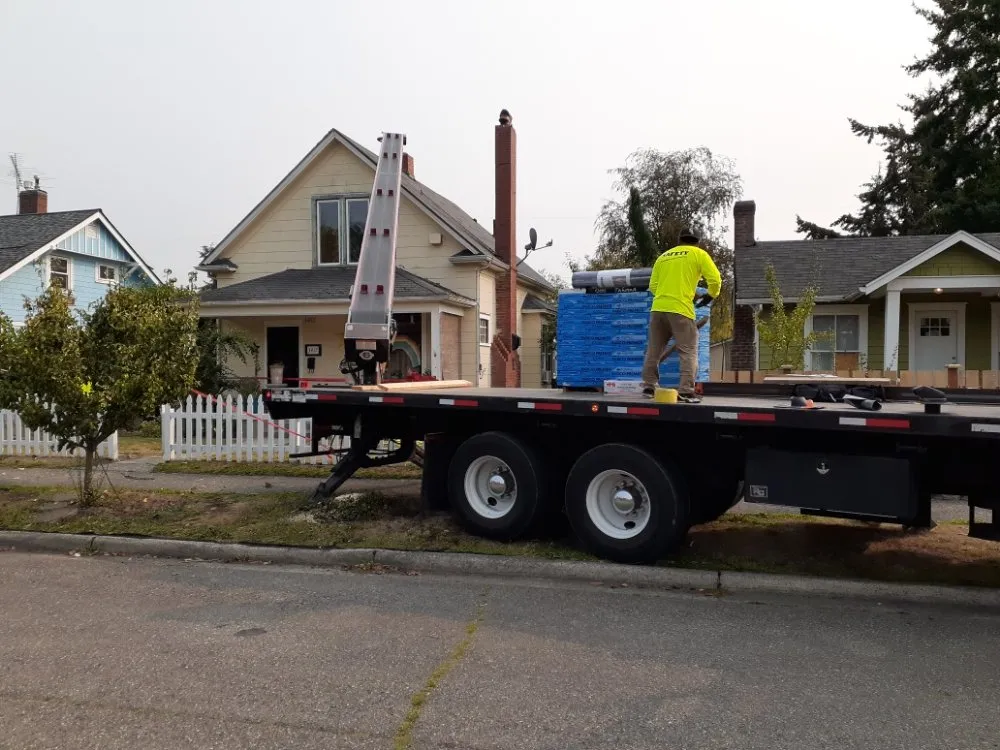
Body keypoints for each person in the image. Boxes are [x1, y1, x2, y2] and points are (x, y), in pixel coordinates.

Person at [640, 229, 722, 402]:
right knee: (688, 350)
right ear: (697, 241)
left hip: (658, 309)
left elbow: (653, 286)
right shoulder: (699, 254)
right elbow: (715, 279)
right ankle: (686, 391)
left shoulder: (663, 257)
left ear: (680, 240)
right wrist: (710, 295)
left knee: (654, 350)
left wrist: (669, 293)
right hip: (681, 310)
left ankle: (649, 387)